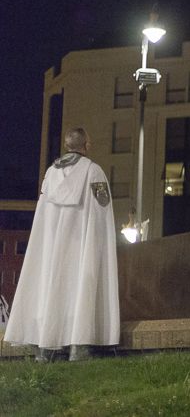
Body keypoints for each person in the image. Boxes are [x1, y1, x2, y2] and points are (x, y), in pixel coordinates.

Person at [4, 128, 119, 362]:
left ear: (67, 146)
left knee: (50, 288)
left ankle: (46, 348)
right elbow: (101, 211)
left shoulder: (50, 174)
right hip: (81, 246)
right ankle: (79, 346)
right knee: (80, 289)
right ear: (86, 145)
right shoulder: (93, 171)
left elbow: (43, 214)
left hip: (52, 247)